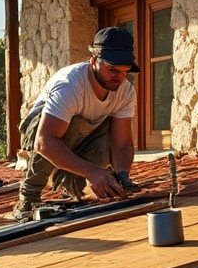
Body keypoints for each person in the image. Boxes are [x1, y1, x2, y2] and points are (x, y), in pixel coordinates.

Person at [13, 27, 142, 222]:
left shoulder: (125, 91)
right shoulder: (70, 85)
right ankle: (28, 197)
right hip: (42, 137)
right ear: (93, 61)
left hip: (83, 139)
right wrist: (92, 172)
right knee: (72, 124)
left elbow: (122, 143)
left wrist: (122, 175)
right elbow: (44, 142)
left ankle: (68, 182)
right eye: (112, 69)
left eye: (125, 71)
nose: (120, 78)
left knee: (109, 130)